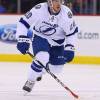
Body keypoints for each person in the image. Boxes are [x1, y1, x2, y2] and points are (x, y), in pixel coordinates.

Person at [16, 0, 78, 93]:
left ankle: (39, 70)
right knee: (42, 57)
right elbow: (23, 22)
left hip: (58, 43)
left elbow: (72, 33)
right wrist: (22, 38)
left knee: (57, 69)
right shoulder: (39, 9)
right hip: (41, 37)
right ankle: (31, 80)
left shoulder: (66, 14)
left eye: (60, 1)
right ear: (49, 2)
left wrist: (70, 47)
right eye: (56, 1)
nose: (59, 3)